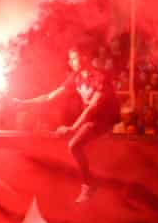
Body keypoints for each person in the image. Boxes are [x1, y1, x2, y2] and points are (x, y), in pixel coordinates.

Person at [13, 45, 120, 203]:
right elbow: (51, 96)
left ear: (84, 57)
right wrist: (25, 103)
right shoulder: (76, 77)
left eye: (73, 58)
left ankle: (88, 186)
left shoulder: (100, 77)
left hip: (105, 119)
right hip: (91, 119)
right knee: (68, 137)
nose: (70, 62)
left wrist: (73, 128)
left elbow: (93, 107)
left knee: (74, 145)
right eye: (70, 58)